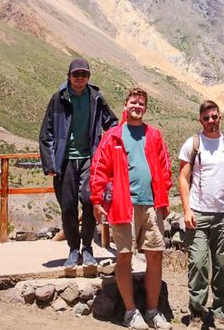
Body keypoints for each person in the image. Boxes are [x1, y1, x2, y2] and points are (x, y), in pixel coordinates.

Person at [90, 87, 172, 330]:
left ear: (145, 108)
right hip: (122, 205)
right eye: (133, 102)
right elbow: (99, 170)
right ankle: (129, 312)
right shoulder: (113, 136)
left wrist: (163, 200)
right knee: (124, 256)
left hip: (151, 205)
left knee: (155, 255)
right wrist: (97, 201)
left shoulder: (154, 135)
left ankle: (153, 310)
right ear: (125, 105)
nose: (137, 106)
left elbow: (165, 168)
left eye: (141, 104)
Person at [39, 58, 118, 270]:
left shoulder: (96, 98)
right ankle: (73, 249)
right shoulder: (59, 99)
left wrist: (115, 142)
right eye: (76, 74)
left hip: (90, 159)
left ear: (89, 77)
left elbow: (111, 123)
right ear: (69, 76)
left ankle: (88, 249)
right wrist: (50, 163)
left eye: (84, 74)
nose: (80, 78)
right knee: (67, 206)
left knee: (90, 201)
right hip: (64, 161)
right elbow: (46, 134)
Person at [178, 100, 224, 330]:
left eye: (214, 117)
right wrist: (186, 209)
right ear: (200, 120)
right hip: (198, 214)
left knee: (223, 265)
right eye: (206, 118)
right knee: (198, 264)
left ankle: (222, 312)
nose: (211, 121)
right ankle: (197, 313)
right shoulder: (193, 144)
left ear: (220, 117)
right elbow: (183, 177)